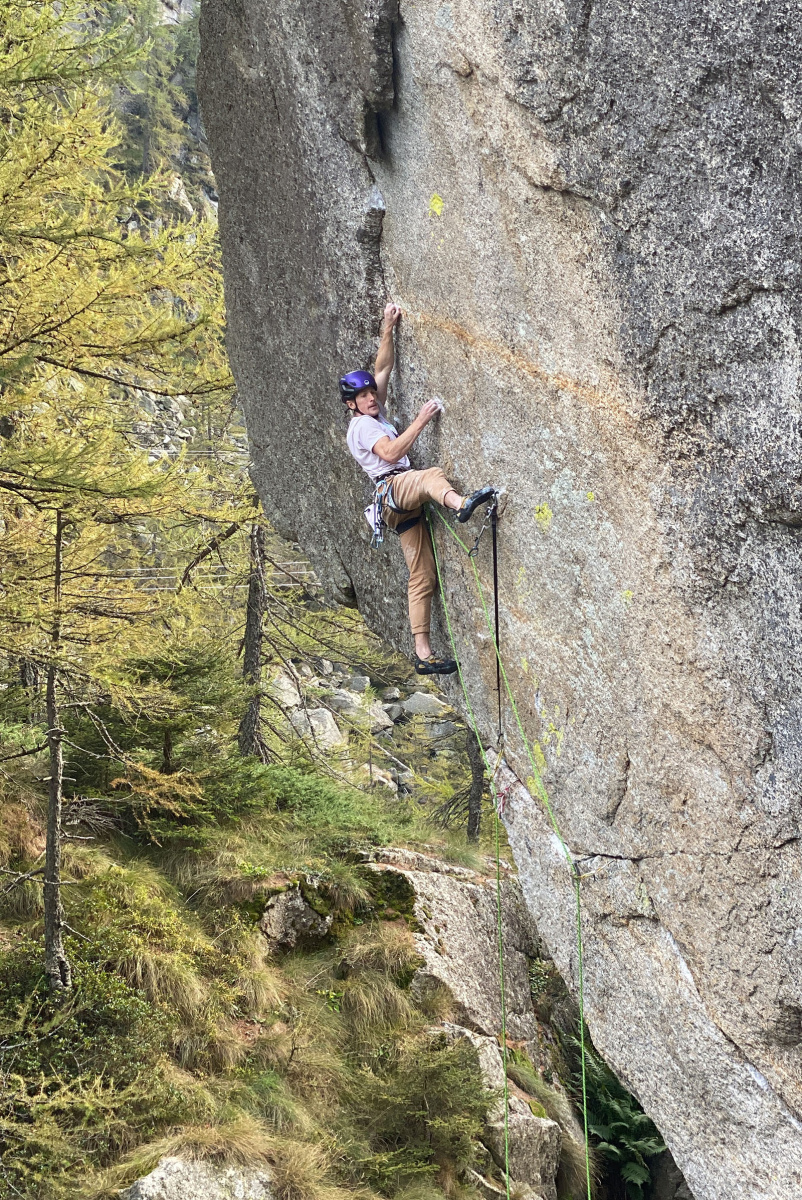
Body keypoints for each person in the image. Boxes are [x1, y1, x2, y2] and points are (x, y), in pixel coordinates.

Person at [341, 302, 496, 676]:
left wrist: (387, 328)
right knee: (430, 477)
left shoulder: (371, 412)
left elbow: (383, 368)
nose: (372, 398)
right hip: (393, 488)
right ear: (352, 404)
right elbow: (393, 452)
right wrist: (423, 419)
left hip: (396, 508)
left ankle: (422, 652)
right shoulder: (362, 427)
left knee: (422, 574)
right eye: (364, 397)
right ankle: (461, 505)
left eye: (371, 394)